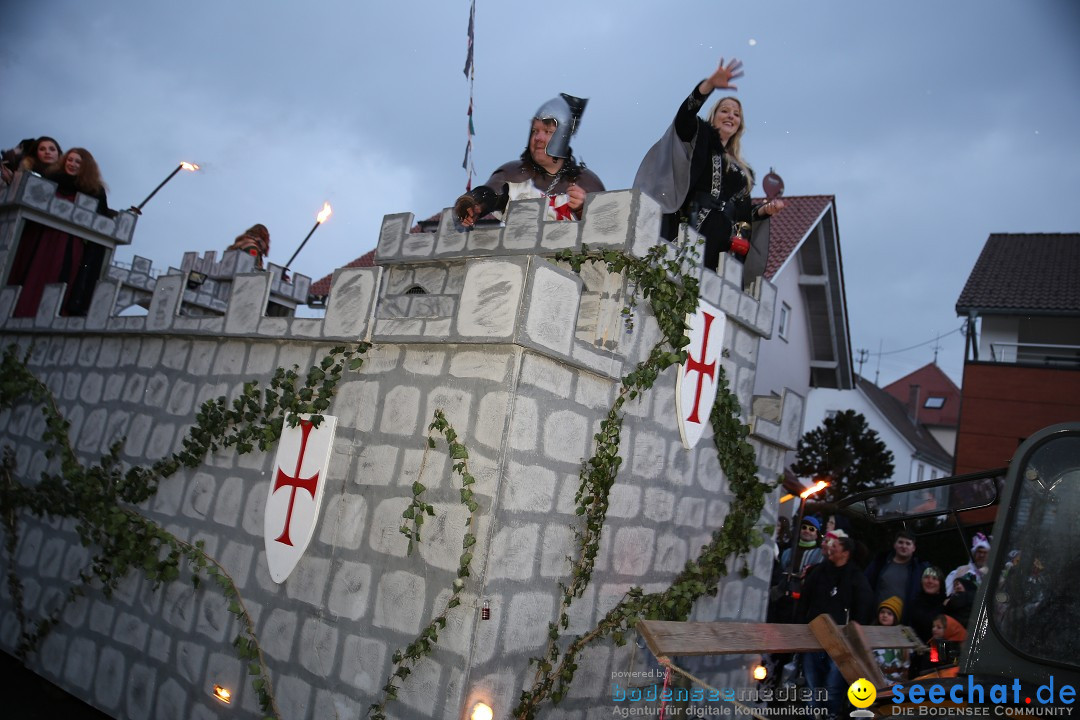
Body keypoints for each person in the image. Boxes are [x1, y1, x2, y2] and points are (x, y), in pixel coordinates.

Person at [633, 57, 784, 275]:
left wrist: (764, 210)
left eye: (736, 114)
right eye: (725, 110)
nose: (731, 115)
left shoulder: (743, 172)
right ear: (714, 116)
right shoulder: (700, 137)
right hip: (693, 224)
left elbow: (743, 213)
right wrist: (709, 85)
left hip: (722, 241)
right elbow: (684, 116)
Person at [454, 93, 604, 227]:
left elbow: (605, 229)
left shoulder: (586, 181)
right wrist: (473, 204)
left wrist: (581, 209)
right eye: (535, 131)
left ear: (562, 138)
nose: (538, 138)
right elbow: (492, 194)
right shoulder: (514, 174)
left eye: (547, 131)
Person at [9, 147, 112, 317]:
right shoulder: (51, 180)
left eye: (77, 161)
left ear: (86, 166)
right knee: (34, 273)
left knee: (60, 277)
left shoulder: (94, 190)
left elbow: (102, 218)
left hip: (69, 242)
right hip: (41, 236)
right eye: (69, 160)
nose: (72, 164)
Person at [797, 536, 874, 717]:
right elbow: (804, 601)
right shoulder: (818, 571)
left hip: (839, 642)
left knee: (832, 688)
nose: (830, 548)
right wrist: (799, 628)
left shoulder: (855, 577)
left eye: (836, 546)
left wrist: (853, 632)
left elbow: (865, 605)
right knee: (812, 686)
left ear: (845, 553)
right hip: (812, 637)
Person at [864, 529, 927, 622]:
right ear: (894, 545)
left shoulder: (919, 570)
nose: (904, 546)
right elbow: (864, 586)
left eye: (908, 543)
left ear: (914, 548)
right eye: (900, 542)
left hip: (906, 623)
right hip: (878, 620)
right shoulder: (879, 563)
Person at [873, 596, 910, 684]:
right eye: (882, 612)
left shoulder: (901, 637)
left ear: (895, 618)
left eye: (889, 613)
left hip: (895, 680)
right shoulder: (872, 633)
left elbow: (906, 662)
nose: (885, 615)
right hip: (875, 678)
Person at [945, 532, 990, 596]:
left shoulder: (994, 574)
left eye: (985, 553)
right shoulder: (959, 572)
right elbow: (949, 596)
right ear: (973, 554)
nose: (982, 555)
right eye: (979, 552)